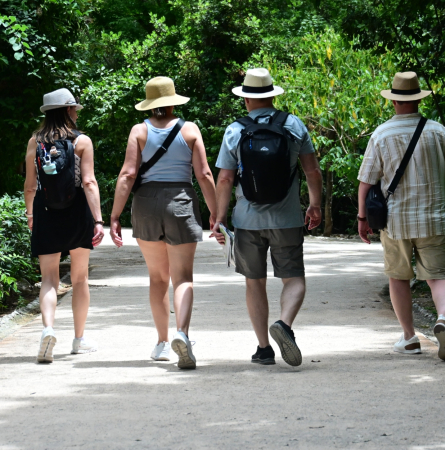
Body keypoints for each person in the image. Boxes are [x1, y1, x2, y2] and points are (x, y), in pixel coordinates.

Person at [211, 68, 323, 367]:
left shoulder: (236, 130)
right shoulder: (293, 125)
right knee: (294, 279)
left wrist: (219, 219)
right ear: (272, 96)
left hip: (247, 222)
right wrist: (314, 205)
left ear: (246, 99)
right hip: (287, 218)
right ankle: (284, 324)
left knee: (254, 282)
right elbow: (312, 170)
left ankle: (263, 349)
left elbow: (224, 179)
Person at [110, 77, 218, 370]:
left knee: (158, 278)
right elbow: (205, 175)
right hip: (181, 200)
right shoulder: (190, 129)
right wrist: (216, 213)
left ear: (150, 104)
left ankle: (161, 343)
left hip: (145, 203)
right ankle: (181, 334)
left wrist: (114, 215)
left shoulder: (139, 130)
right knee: (182, 277)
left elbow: (128, 174)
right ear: (172, 102)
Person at [356, 71, 445, 361]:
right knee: (439, 276)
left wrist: (362, 219)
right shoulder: (438, 131)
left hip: (395, 222)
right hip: (432, 219)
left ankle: (409, 337)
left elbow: (366, 183)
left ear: (394, 102)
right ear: (418, 99)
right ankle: (442, 318)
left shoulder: (381, 134)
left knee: (398, 278)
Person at [24, 88, 105, 363]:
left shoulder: (35, 141)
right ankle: (79, 340)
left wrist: (31, 216)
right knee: (80, 279)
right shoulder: (82, 141)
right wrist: (98, 220)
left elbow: (29, 186)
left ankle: (48, 330)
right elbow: (89, 182)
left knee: (49, 279)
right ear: (69, 110)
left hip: (45, 212)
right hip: (77, 212)